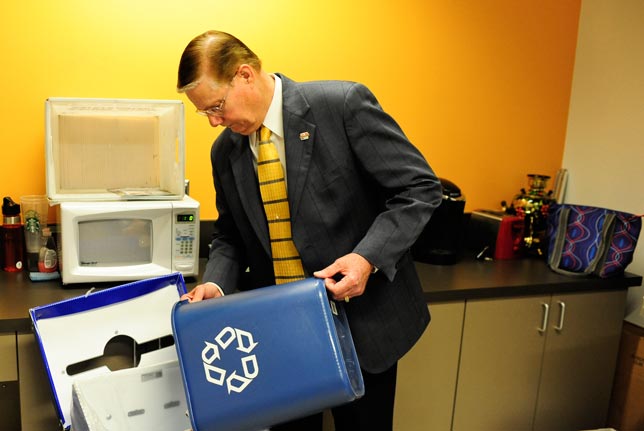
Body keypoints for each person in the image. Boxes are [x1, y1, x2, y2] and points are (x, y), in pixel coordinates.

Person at [176, 30, 443, 431]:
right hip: (283, 333)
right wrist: (216, 286)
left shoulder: (341, 106)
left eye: (216, 106)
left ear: (245, 75)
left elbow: (419, 188)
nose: (215, 122)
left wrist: (365, 257)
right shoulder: (226, 151)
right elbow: (231, 234)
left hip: (363, 324)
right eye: (205, 114)